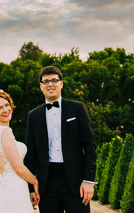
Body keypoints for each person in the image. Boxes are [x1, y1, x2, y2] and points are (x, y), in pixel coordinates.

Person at [24, 66, 97, 213]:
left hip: (76, 184)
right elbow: (31, 154)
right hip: (47, 185)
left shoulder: (78, 108)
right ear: (41, 86)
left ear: (61, 84)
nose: (50, 84)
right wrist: (31, 188)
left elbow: (89, 145)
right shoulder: (33, 116)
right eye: (46, 81)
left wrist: (88, 181)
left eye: (54, 80)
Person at [0, 87, 40, 213]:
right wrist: (35, 181)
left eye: (7, 105)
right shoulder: (5, 132)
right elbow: (18, 167)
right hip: (15, 191)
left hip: (8, 189)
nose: (6, 110)